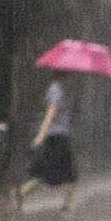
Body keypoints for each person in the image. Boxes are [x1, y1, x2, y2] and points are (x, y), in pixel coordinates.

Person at [27, 75, 79, 208]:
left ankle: (66, 205)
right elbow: (51, 112)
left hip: (60, 135)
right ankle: (21, 191)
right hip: (56, 136)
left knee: (67, 174)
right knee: (61, 174)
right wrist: (41, 135)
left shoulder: (62, 88)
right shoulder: (56, 88)